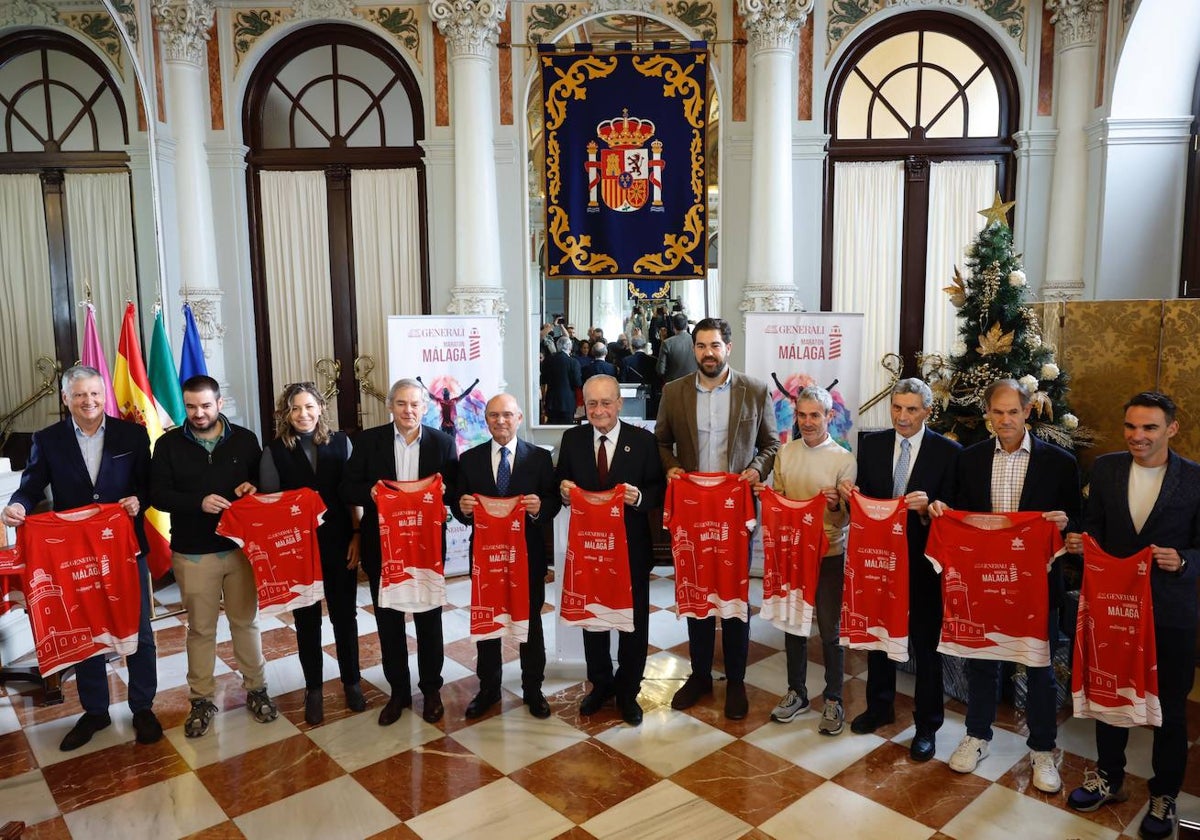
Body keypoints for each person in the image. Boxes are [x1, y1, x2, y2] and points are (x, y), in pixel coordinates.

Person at [929, 378, 1080, 793]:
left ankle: (1043, 749)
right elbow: (952, 506)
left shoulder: (1060, 463)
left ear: (1028, 411)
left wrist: (1067, 525)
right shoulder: (970, 459)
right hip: (983, 583)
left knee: (1040, 670)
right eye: (998, 412)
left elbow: (1078, 520)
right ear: (988, 415)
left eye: (1013, 411)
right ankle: (978, 735)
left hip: (1035, 586)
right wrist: (941, 509)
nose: (1005, 420)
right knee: (982, 660)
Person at [1, 365, 161, 751]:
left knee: (137, 628)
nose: (88, 402)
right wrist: (16, 505)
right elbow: (31, 485)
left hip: (124, 549)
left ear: (104, 394)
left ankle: (142, 707)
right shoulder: (48, 439)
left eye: (94, 394)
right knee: (86, 629)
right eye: (79, 395)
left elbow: (150, 484)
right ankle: (95, 711)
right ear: (65, 399)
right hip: (75, 557)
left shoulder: (132, 434)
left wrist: (140, 500)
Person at [1064, 392, 1200, 840]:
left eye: (1149, 428)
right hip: (1113, 607)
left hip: (1170, 613)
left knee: (1170, 711)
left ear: (1171, 429)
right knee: (1110, 696)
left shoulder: (1196, 479)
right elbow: (1095, 525)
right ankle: (1109, 776)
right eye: (1131, 427)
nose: (1137, 436)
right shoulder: (1106, 469)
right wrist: (1084, 543)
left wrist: (1182, 560)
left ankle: (1164, 794)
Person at [654, 316, 779, 719]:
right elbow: (661, 440)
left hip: (734, 509)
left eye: (715, 345)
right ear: (694, 349)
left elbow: (771, 443)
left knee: (735, 595)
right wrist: (671, 466)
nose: (708, 353)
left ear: (729, 348)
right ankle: (700, 675)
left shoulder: (755, 390)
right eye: (701, 346)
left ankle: (737, 681)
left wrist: (757, 470)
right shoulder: (674, 392)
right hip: (692, 510)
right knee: (696, 593)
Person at [150, 375, 275, 738]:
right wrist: (197, 503)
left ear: (220, 403)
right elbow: (158, 495)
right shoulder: (169, 444)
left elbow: (263, 485)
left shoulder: (246, 439)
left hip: (239, 549)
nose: (198, 413)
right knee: (201, 629)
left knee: (245, 623)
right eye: (191, 407)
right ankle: (201, 699)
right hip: (193, 552)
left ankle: (257, 688)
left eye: (205, 405)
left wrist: (253, 488)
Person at [842, 378, 960, 760]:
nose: (903, 416)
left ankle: (928, 724)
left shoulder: (949, 452)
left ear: (927, 411)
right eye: (897, 407)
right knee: (879, 636)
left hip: (924, 562)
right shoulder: (872, 444)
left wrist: (931, 508)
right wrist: (846, 496)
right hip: (879, 559)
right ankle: (879, 706)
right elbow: (861, 501)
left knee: (926, 647)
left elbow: (957, 511)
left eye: (911, 409)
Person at [340, 379, 458, 725]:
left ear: (425, 407)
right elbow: (347, 487)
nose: (409, 411)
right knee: (389, 621)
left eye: (415, 404)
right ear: (390, 406)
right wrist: (372, 493)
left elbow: (456, 493)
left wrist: (447, 492)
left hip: (426, 548)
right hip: (384, 548)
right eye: (402, 404)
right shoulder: (368, 441)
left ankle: (432, 690)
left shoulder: (442, 443)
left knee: (428, 620)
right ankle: (399, 693)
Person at [557, 375, 666, 725]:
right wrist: (562, 489)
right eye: (592, 404)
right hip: (589, 552)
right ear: (583, 406)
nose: (599, 410)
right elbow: (559, 482)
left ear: (620, 404)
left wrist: (640, 499)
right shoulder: (572, 440)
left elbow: (658, 489)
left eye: (606, 403)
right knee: (594, 621)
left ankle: (628, 691)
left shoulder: (643, 441)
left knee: (632, 625)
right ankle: (601, 685)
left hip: (631, 549)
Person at [258, 382, 364, 725]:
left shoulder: (342, 443)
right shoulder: (273, 451)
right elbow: (270, 508)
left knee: (345, 617)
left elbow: (352, 498)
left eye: (308, 407)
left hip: (339, 541)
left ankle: (351, 682)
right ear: (285, 414)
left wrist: (358, 536)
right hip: (297, 550)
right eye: (295, 409)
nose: (302, 414)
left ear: (320, 408)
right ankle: (313, 689)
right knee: (306, 622)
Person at [451, 394, 561, 719]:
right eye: (494, 415)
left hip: (527, 559)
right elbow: (459, 504)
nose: (500, 421)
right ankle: (488, 690)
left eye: (507, 415)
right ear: (486, 420)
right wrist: (464, 509)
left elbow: (554, 501)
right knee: (488, 624)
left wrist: (541, 507)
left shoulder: (539, 459)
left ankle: (533, 689)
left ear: (520, 417)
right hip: (485, 560)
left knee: (531, 625)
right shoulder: (469, 460)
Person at [762, 386, 856, 735]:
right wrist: (769, 499)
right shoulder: (785, 453)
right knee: (793, 625)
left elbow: (846, 518)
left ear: (829, 416)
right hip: (793, 554)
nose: (808, 422)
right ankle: (797, 693)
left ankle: (833, 698)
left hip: (829, 554)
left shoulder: (843, 458)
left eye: (815, 415)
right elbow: (782, 503)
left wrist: (834, 505)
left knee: (830, 631)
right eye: (802, 415)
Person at [541, 336, 580, 425]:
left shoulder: (548, 360)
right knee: (567, 430)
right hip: (568, 401)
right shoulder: (574, 362)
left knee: (551, 429)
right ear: (570, 347)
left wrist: (543, 400)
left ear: (557, 346)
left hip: (551, 401)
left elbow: (544, 381)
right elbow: (578, 383)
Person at [657, 313, 698, 384]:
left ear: (673, 326)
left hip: (674, 385)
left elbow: (660, 370)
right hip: (695, 383)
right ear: (686, 325)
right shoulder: (696, 341)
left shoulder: (666, 343)